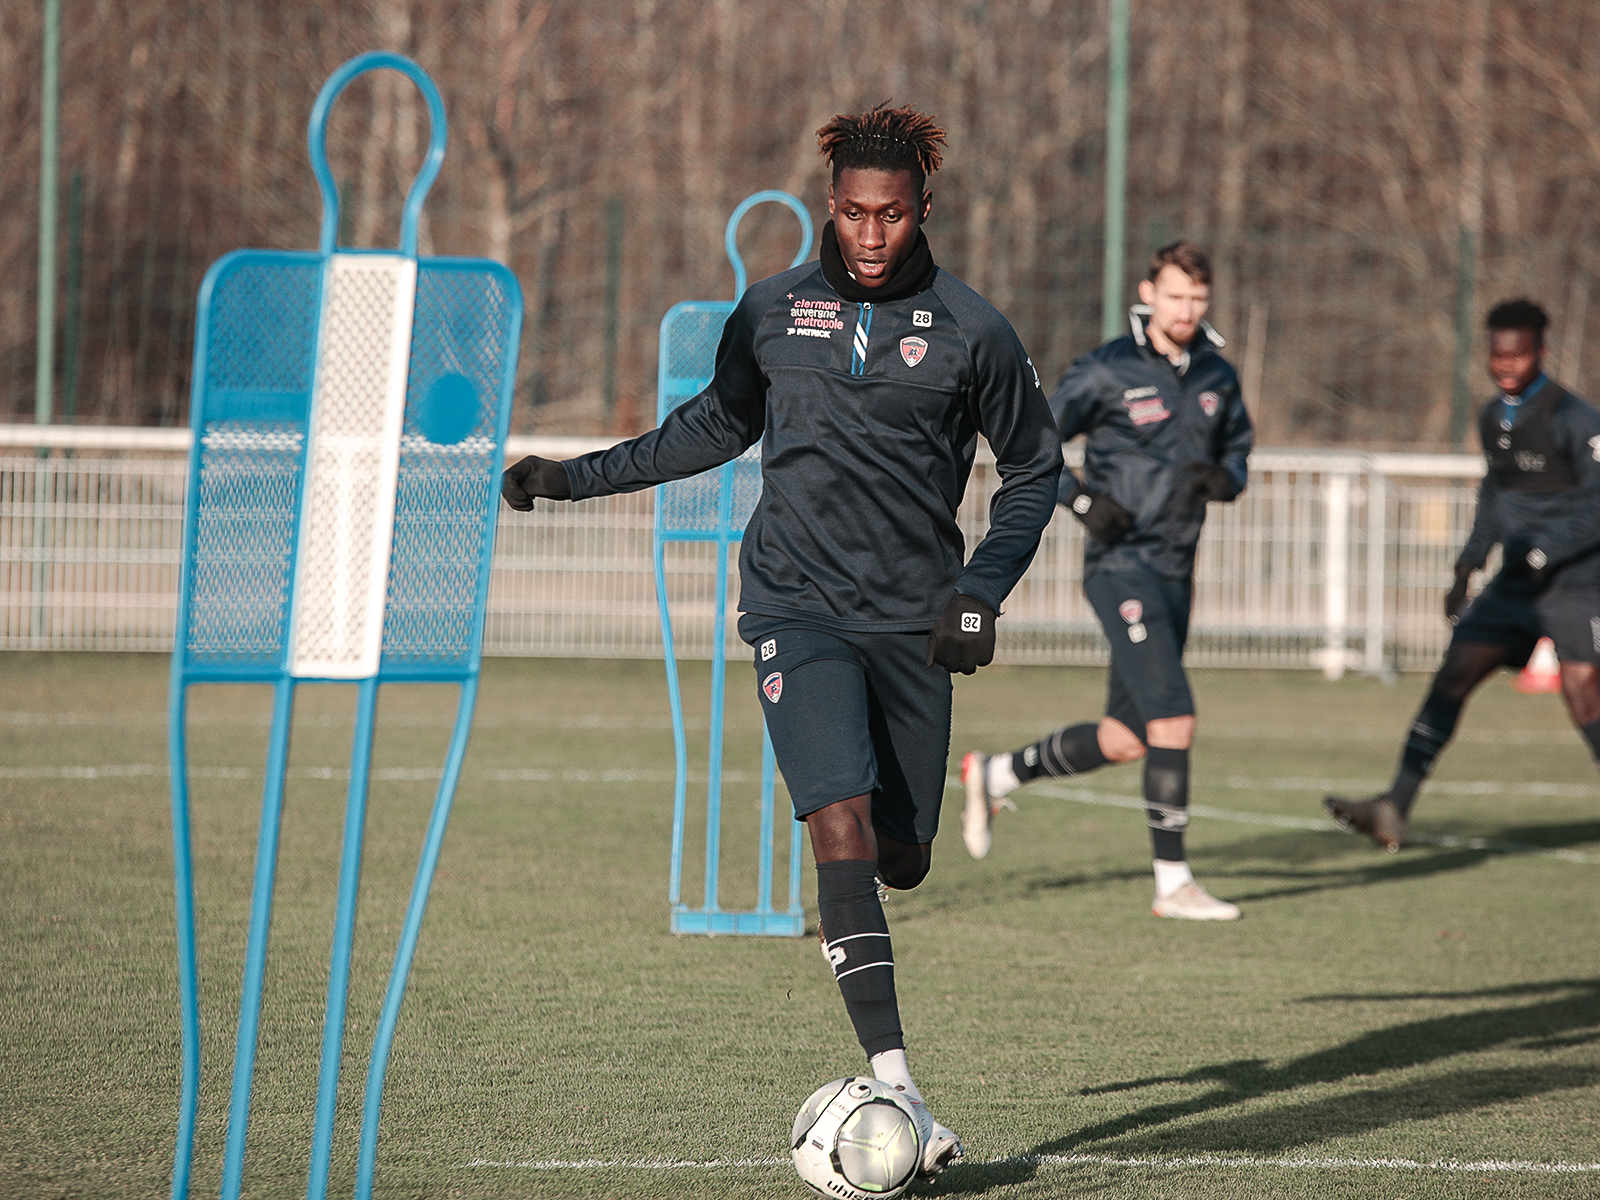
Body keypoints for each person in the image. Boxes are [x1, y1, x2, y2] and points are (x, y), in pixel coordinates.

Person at [501, 103, 1060, 1178]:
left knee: (901, 857)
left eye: (889, 215)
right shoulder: (772, 310)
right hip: (793, 607)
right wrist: (575, 476)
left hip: (914, 625)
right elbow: (714, 422)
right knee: (836, 823)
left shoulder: (974, 332)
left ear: (924, 211)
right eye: (850, 212)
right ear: (828, 207)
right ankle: (898, 1090)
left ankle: (877, 920)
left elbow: (1035, 472)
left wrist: (981, 591)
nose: (867, 233)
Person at [958, 241, 1252, 920]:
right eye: (1177, 296)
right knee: (1174, 717)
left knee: (1129, 737)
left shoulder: (1217, 374)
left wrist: (1226, 479)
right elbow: (1035, 443)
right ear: (1148, 292)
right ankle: (1173, 884)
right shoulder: (1105, 369)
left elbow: (1237, 451)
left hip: (1178, 571)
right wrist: (1083, 499)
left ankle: (995, 774)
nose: (1187, 310)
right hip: (1120, 569)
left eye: (1199, 300)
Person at [1325, 299, 1600, 851]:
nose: (1505, 366)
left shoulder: (1575, 418)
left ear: (1540, 353)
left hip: (1577, 582)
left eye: (1517, 356)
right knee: (1455, 673)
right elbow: (1495, 496)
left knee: (1584, 693)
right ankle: (1393, 807)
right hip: (1516, 583)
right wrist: (1467, 565)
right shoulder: (1492, 416)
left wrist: (1547, 551)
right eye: (1497, 356)